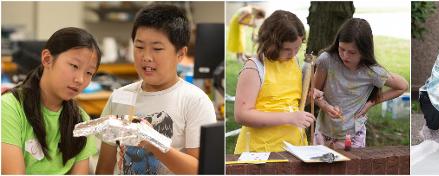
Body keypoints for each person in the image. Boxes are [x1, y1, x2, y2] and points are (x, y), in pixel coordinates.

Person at [96, 4, 216, 174]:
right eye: (139, 47)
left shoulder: (195, 100)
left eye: (157, 49)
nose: (146, 57)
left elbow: (199, 170)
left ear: (180, 54)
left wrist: (153, 143)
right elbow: (105, 167)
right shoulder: (119, 97)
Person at [2, 27, 102, 174]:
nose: (80, 79)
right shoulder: (9, 108)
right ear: (47, 59)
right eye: (74, 66)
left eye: (89, 73)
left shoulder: (80, 120)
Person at [313, 18, 408, 149]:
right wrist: (325, 106)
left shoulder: (371, 71)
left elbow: (402, 86)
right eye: (341, 49)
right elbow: (313, 93)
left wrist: (371, 103)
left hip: (353, 136)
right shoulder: (326, 60)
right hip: (323, 134)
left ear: (364, 51)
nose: (345, 56)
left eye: (352, 52)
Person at [233, 10, 314, 154]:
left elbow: (289, 102)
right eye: (287, 49)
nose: (293, 53)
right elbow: (242, 114)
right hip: (261, 152)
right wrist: (290, 118)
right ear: (271, 43)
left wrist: (308, 98)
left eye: (297, 48)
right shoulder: (255, 67)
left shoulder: (293, 61)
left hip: (294, 147)